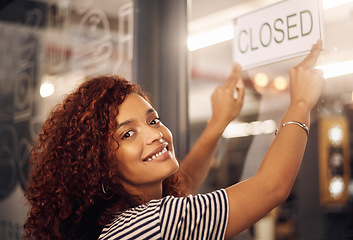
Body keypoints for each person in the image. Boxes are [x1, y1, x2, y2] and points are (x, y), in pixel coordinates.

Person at [24, 39, 324, 240]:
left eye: (153, 120)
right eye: (128, 134)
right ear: (100, 165)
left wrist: (217, 124)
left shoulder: (118, 224)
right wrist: (300, 103)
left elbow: (184, 183)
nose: (155, 134)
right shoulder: (152, 223)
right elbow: (272, 187)